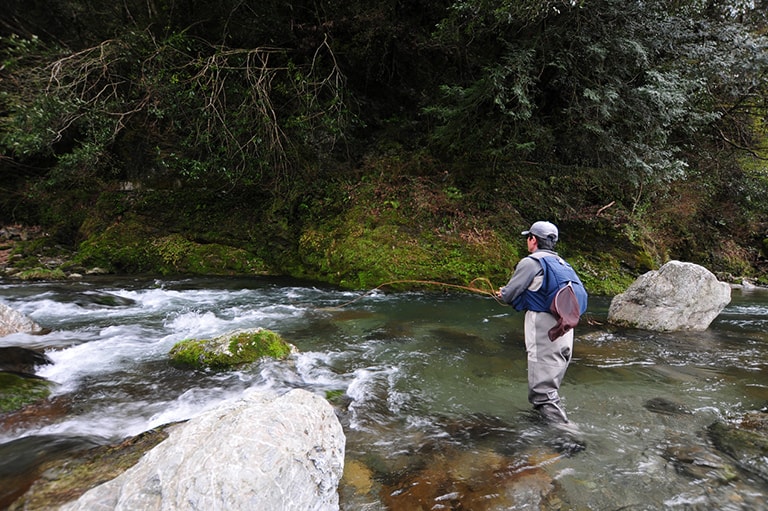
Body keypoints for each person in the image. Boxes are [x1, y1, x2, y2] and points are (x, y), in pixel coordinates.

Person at [497, 221, 585, 424]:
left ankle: (565, 434)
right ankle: (543, 424)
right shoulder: (563, 264)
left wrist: (502, 293)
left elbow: (509, 295)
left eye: (528, 237)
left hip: (544, 330)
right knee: (549, 388)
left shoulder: (531, 262)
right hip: (565, 331)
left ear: (533, 239)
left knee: (542, 393)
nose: (527, 241)